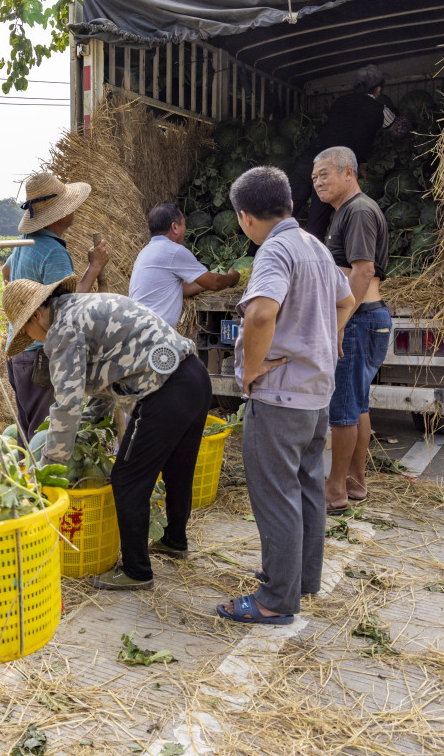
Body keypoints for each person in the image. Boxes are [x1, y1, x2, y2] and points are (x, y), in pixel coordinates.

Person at [2, 276, 211, 591]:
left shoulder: (61, 330)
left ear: (35, 316)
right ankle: (175, 541)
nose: (30, 338)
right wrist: (91, 421)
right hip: (194, 378)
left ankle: (136, 571)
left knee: (127, 480)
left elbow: (66, 404)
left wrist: (47, 467)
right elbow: (105, 375)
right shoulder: (78, 309)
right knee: (178, 469)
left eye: (25, 331)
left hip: (163, 392)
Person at [215, 167, 352, 625]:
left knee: (275, 496)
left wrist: (251, 369)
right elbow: (347, 299)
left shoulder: (273, 251)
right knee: (307, 488)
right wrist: (328, 337)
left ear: (244, 217)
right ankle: (302, 578)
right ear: (290, 205)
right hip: (315, 395)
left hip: (279, 398)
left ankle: (276, 598)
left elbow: (259, 316)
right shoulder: (314, 245)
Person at [1, 171, 110, 442]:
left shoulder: (24, 245)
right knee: (46, 437)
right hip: (41, 357)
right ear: (60, 215)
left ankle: (28, 481)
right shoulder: (53, 251)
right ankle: (43, 483)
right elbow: (68, 308)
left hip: (19, 353)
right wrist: (94, 268)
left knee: (29, 434)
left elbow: (6, 271)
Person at [314, 146, 392, 515]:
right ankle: (355, 482)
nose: (317, 181)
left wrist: (340, 322)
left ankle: (334, 492)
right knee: (357, 403)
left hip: (359, 319)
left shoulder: (358, 210)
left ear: (349, 173)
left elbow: (362, 271)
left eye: (324, 173)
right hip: (366, 318)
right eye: (314, 176)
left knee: (342, 407)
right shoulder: (347, 211)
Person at [287, 64, 397, 242]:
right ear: (378, 89)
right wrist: (407, 119)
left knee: (283, 211)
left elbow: (343, 132)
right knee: (316, 224)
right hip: (331, 167)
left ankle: (254, 257)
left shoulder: (339, 102)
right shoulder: (380, 109)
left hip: (309, 159)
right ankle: (308, 263)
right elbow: (396, 130)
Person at [128, 201, 240, 328]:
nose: (185, 229)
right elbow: (215, 283)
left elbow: (182, 289)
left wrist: (203, 283)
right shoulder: (173, 251)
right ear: (175, 227)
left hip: (138, 329)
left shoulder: (146, 251)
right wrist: (232, 277)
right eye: (184, 224)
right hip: (153, 333)